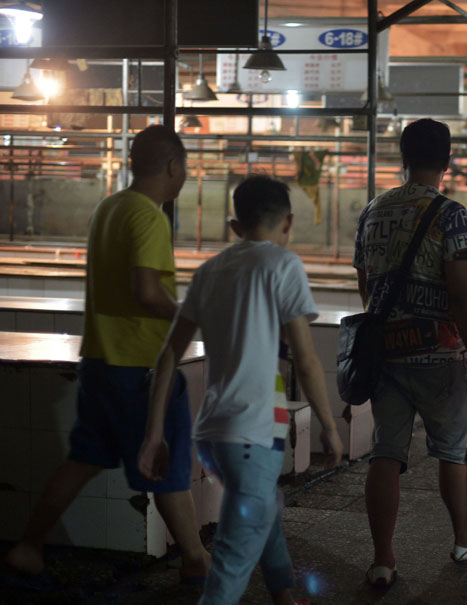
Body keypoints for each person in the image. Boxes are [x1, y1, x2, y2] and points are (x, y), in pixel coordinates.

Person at [3, 124, 210, 583]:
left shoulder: (109, 208)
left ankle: (28, 545)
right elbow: (146, 291)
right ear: (173, 166)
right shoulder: (150, 217)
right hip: (140, 368)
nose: (186, 178)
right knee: (168, 468)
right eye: (186, 169)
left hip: (99, 362)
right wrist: (191, 314)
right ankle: (196, 561)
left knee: (83, 461)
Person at [138, 175, 343, 604]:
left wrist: (154, 434)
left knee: (263, 509)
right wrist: (329, 424)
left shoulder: (210, 271)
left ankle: (283, 594)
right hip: (254, 435)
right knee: (232, 559)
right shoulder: (283, 265)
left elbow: (167, 358)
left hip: (213, 435)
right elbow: (306, 359)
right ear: (287, 222)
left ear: (235, 227)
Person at [353, 118, 467, 588]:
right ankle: (464, 538)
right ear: (447, 161)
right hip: (439, 354)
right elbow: (462, 292)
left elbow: (365, 283)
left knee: (386, 451)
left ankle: (383, 561)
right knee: (452, 451)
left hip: (386, 352)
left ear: (403, 157)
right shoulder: (452, 213)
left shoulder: (373, 210)